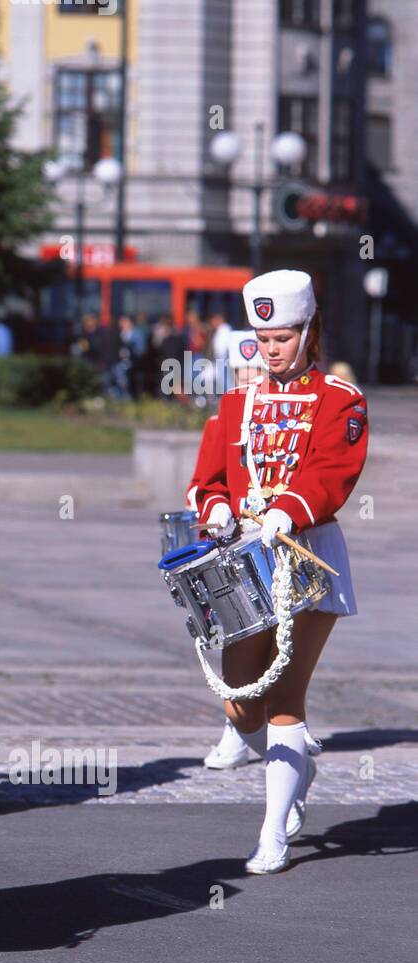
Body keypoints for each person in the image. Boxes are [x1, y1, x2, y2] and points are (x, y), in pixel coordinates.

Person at [189, 270, 366, 874]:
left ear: (310, 331)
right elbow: (208, 478)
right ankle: (298, 770)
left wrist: (287, 511)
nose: (270, 349)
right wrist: (214, 509)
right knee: (241, 704)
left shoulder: (341, 400)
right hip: (246, 557)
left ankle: (272, 835)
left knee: (287, 694)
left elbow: (332, 473)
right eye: (263, 336)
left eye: (283, 336)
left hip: (308, 556)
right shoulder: (239, 399)